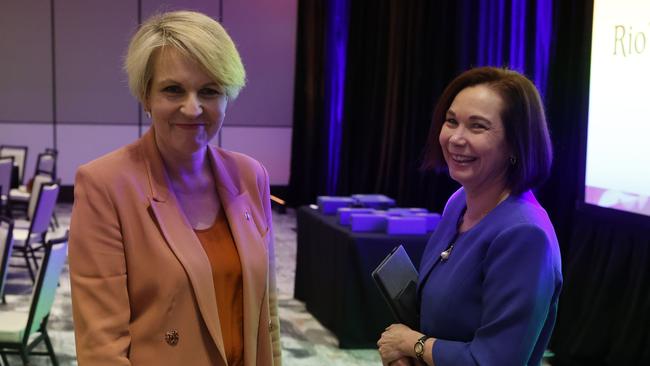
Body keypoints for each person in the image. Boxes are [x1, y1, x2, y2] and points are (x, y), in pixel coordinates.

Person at [69, 11, 281, 366]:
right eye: (173, 89)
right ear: (145, 96)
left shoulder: (250, 176)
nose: (192, 107)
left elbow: (267, 318)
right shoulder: (104, 185)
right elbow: (101, 347)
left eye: (210, 91)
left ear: (227, 96)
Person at [377, 67, 563, 366]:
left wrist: (415, 344)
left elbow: (495, 361)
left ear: (516, 143)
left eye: (477, 127)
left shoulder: (525, 235)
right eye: (451, 122)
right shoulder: (458, 201)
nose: (455, 139)